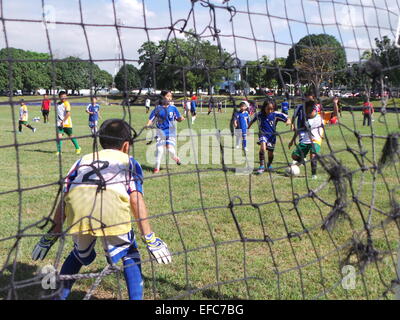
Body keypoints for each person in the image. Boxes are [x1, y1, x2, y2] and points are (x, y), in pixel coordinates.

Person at [31, 119, 172, 300]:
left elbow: (65, 198)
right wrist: (150, 238)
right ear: (126, 145)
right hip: (111, 211)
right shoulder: (129, 161)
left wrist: (52, 235)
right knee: (130, 252)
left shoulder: (82, 160)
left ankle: (58, 297)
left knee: (79, 255)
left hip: (78, 211)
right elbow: (136, 199)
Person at [146, 90, 185, 173]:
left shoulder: (173, 108)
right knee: (160, 150)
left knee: (170, 150)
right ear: (163, 97)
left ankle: (175, 157)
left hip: (171, 132)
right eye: (168, 96)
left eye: (171, 96)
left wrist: (181, 118)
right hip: (160, 132)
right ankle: (156, 168)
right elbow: (151, 119)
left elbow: (178, 119)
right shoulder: (157, 108)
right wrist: (148, 125)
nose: (170, 98)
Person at [249, 100, 291, 174]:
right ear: (264, 107)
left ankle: (269, 165)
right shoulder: (259, 114)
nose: (270, 110)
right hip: (263, 134)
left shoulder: (275, 114)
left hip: (272, 136)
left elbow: (287, 118)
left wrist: (288, 121)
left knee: (270, 153)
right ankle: (261, 166)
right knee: (263, 148)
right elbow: (252, 121)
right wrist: (247, 128)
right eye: (268, 108)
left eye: (272, 109)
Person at [289, 100, 324, 180]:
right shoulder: (306, 120)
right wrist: (292, 141)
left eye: (308, 112)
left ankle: (313, 174)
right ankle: (302, 160)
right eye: (306, 112)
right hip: (305, 140)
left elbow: (335, 114)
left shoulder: (321, 118)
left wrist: (335, 104)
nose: (307, 114)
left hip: (315, 141)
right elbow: (299, 130)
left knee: (313, 155)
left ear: (314, 110)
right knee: (294, 156)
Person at [56, 91, 81, 155]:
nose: (64, 98)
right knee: (59, 137)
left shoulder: (67, 103)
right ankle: (59, 151)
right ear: (59, 97)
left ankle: (78, 148)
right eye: (62, 96)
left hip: (67, 123)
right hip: (59, 123)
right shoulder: (58, 104)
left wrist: (63, 121)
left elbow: (68, 113)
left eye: (65, 96)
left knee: (71, 136)